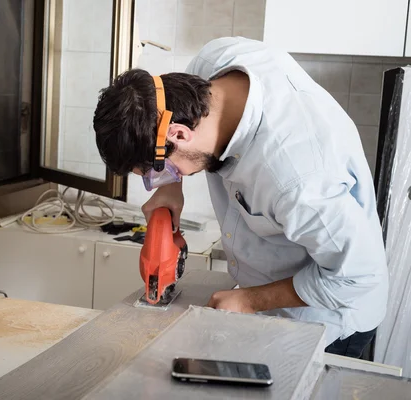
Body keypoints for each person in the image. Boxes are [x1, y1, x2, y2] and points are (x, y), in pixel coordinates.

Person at [92, 37, 389, 359]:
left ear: (179, 135)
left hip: (325, 320)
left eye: (156, 171)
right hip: (271, 295)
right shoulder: (216, 63)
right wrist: (169, 185)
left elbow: (358, 278)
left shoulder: (298, 181)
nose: (160, 178)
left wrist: (250, 300)